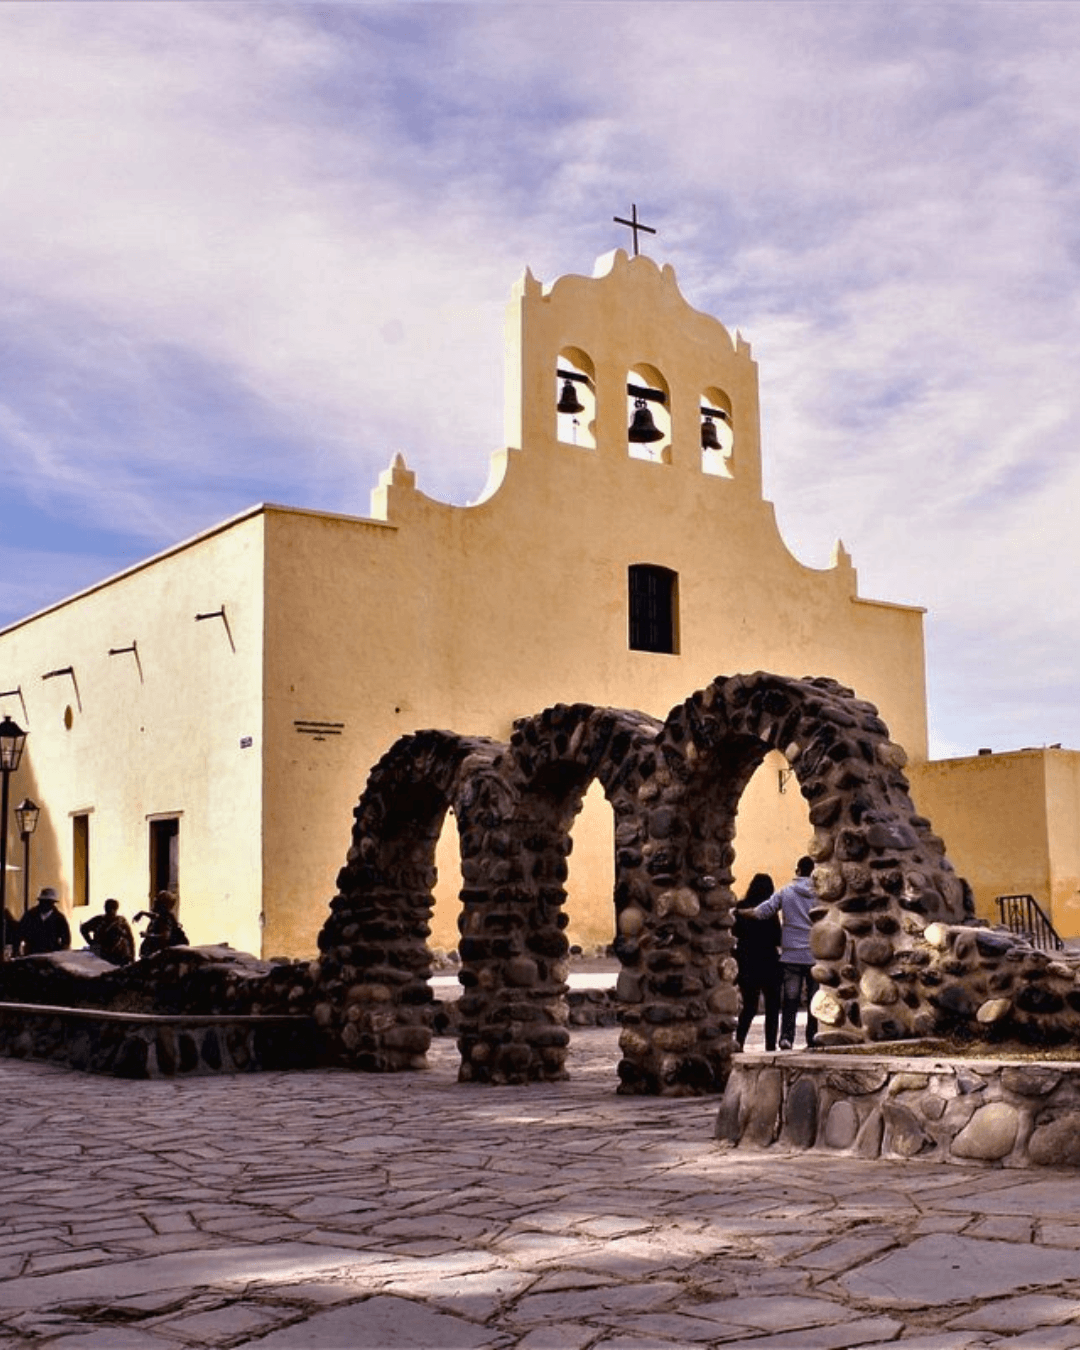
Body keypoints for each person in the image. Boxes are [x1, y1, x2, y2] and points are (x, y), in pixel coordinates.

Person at [752, 856, 818, 1050]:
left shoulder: (786, 891)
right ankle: (813, 1038)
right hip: (815, 955)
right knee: (815, 1000)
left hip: (791, 954)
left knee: (790, 999)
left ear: (798, 870)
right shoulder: (820, 895)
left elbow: (762, 911)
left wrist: (742, 912)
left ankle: (786, 1037)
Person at [733, 872, 781, 1051]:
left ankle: (739, 1041)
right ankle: (770, 1045)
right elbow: (777, 937)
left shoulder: (740, 908)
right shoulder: (769, 910)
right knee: (772, 1006)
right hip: (769, 961)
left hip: (747, 961)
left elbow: (734, 933)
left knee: (749, 1006)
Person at [15, 886, 72, 956]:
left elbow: (66, 939)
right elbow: (19, 933)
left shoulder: (59, 918)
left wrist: (62, 953)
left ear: (53, 903)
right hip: (31, 953)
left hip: (51, 953)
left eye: (48, 902)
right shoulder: (30, 915)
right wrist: (17, 950)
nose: (44, 904)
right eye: (43, 902)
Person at [133, 891, 189, 959]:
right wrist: (143, 913)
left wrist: (147, 935)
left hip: (162, 954)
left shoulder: (166, 918)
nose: (154, 903)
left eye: (156, 901)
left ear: (161, 905)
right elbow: (155, 916)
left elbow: (165, 937)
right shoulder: (162, 916)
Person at [80, 899, 135, 966]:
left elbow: (130, 939)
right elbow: (83, 928)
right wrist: (91, 943)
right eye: (108, 907)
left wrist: (132, 956)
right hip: (103, 955)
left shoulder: (120, 921)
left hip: (118, 956)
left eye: (111, 907)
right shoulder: (100, 920)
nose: (110, 910)